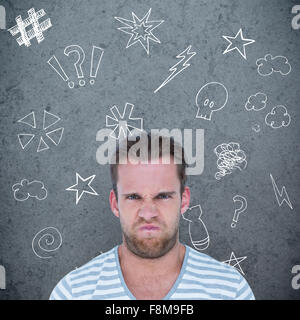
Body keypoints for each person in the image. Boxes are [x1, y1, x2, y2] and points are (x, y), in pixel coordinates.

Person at [50, 131, 255, 300]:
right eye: (133, 197)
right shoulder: (73, 293)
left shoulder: (230, 290)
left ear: (184, 201)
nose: (148, 213)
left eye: (163, 196)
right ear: (115, 204)